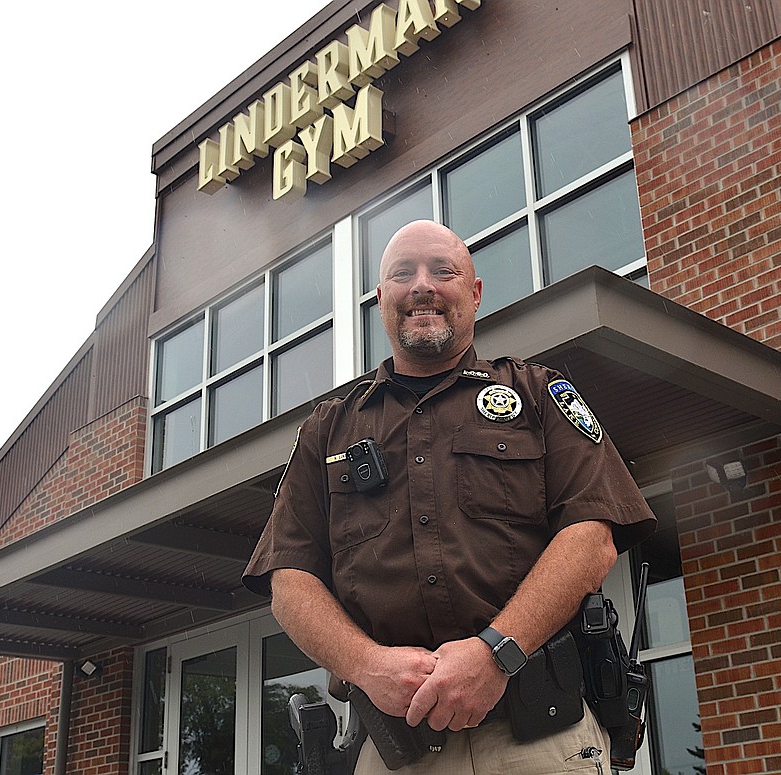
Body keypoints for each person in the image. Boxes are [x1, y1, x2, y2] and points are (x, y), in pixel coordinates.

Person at [244, 220, 656, 773]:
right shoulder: (328, 430)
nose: (422, 286)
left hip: (539, 739)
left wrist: (496, 652)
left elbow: (591, 539)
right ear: (381, 298)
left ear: (476, 292)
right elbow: (289, 581)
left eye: (443, 271)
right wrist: (366, 665)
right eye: (402, 274)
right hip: (394, 749)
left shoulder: (537, 396)